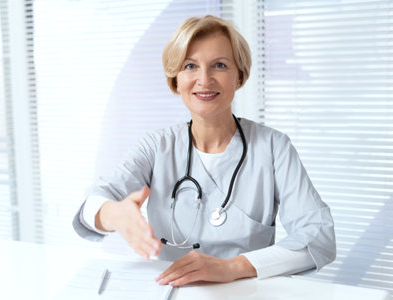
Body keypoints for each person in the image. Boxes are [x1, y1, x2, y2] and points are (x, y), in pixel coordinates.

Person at [73, 15, 336, 287]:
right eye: (190, 66)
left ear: (239, 76)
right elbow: (91, 206)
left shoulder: (274, 148)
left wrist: (233, 267)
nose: (204, 79)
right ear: (176, 79)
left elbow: (319, 236)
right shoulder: (156, 147)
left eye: (219, 65)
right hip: (171, 292)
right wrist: (114, 214)